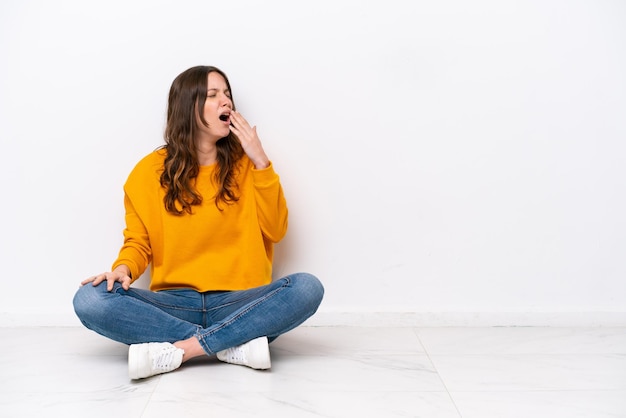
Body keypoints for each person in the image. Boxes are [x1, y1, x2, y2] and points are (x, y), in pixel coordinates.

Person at [73, 65, 324, 380]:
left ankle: (185, 349)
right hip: (175, 302)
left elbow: (276, 230)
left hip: (239, 300)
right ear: (188, 107)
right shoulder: (147, 173)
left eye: (228, 94)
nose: (226, 102)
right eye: (213, 95)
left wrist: (260, 161)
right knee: (90, 298)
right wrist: (122, 270)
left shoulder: (250, 165)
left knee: (306, 288)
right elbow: (138, 243)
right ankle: (232, 343)